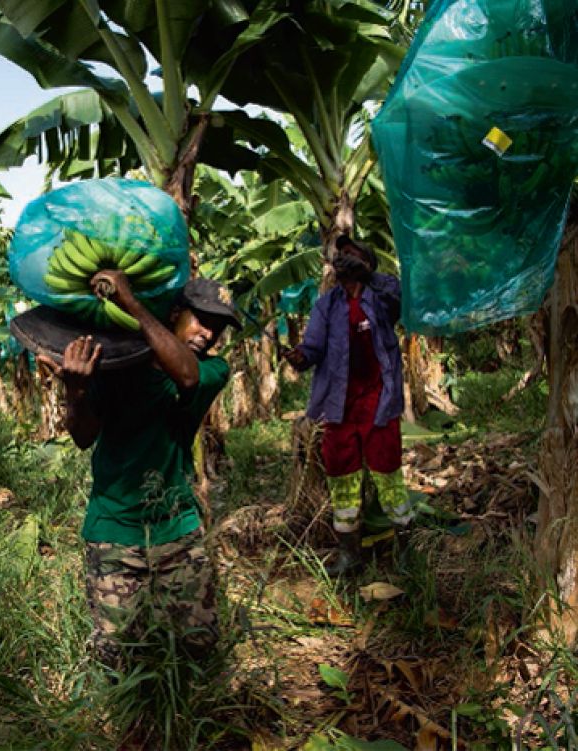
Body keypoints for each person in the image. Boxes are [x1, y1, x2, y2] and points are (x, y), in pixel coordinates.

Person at [37, 272, 240, 668]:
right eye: (201, 320)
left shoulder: (212, 371)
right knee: (118, 660)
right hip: (114, 531)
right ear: (176, 313)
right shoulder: (116, 364)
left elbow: (185, 374)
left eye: (217, 328)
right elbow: (83, 436)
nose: (208, 334)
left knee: (198, 648)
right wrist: (76, 390)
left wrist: (131, 303)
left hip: (177, 533)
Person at [283, 234, 413, 576]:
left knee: (389, 478)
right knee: (343, 480)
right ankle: (349, 553)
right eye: (341, 255)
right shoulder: (326, 305)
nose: (344, 259)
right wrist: (299, 357)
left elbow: (401, 304)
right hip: (338, 409)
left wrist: (368, 277)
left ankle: (406, 548)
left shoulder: (383, 293)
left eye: (352, 255)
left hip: (379, 406)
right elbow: (312, 347)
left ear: (367, 262)